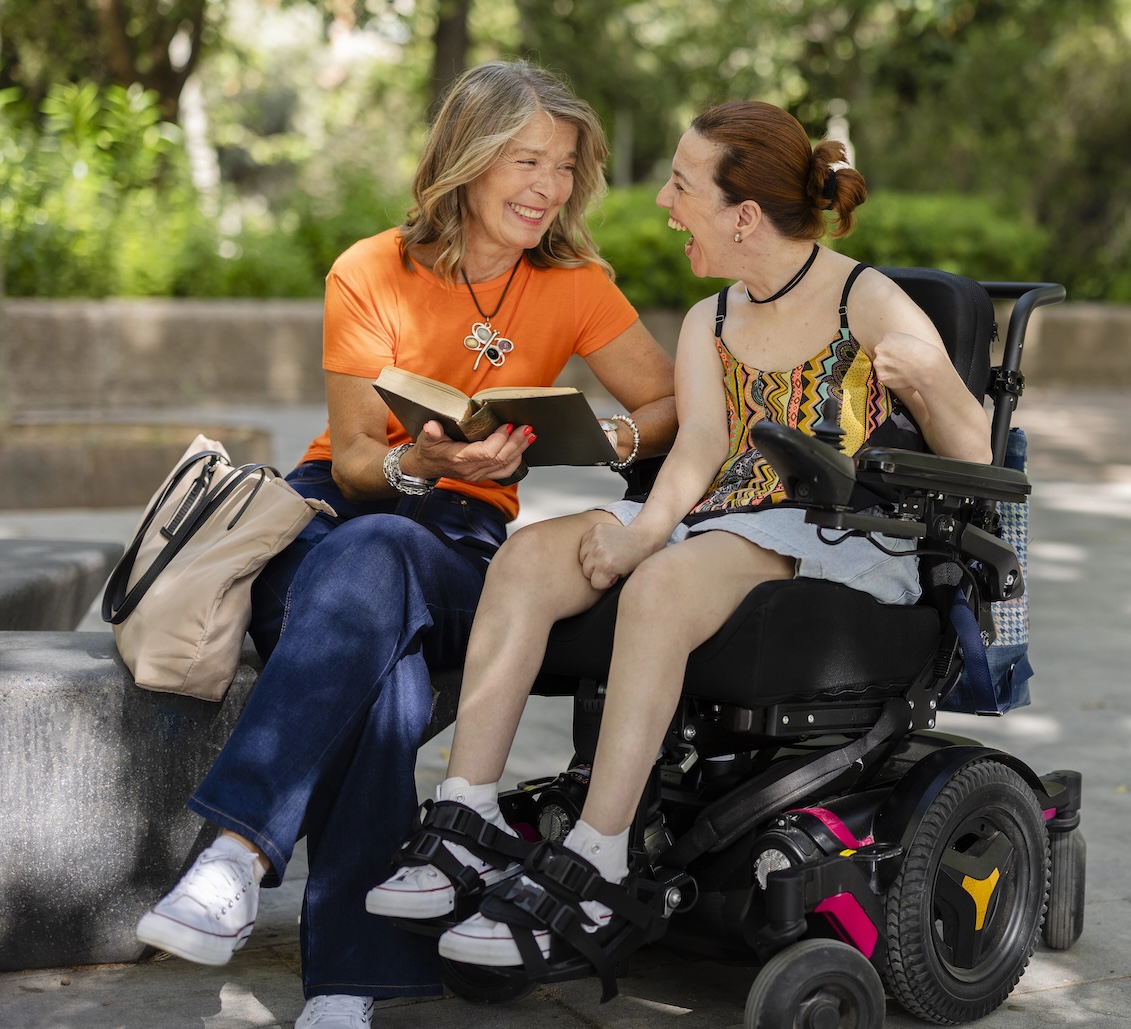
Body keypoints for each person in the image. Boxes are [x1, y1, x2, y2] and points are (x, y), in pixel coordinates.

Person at [364, 100, 991, 973]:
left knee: (661, 585)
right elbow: (698, 446)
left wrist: (933, 383)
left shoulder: (868, 299)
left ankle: (598, 855)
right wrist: (640, 532)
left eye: (681, 184)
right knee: (531, 554)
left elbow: (980, 457)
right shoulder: (714, 319)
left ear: (743, 215)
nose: (663, 199)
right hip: (722, 522)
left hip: (840, 533)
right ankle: (465, 818)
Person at [132, 61, 675, 1029]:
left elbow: (667, 403)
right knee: (383, 670)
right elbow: (348, 465)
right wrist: (422, 461)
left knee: (382, 564)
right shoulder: (370, 269)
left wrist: (606, 437)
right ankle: (350, 983)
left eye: (563, 165)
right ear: (465, 159)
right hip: (334, 524)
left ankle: (237, 855)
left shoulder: (575, 283)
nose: (548, 185)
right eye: (525, 160)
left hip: (463, 547)